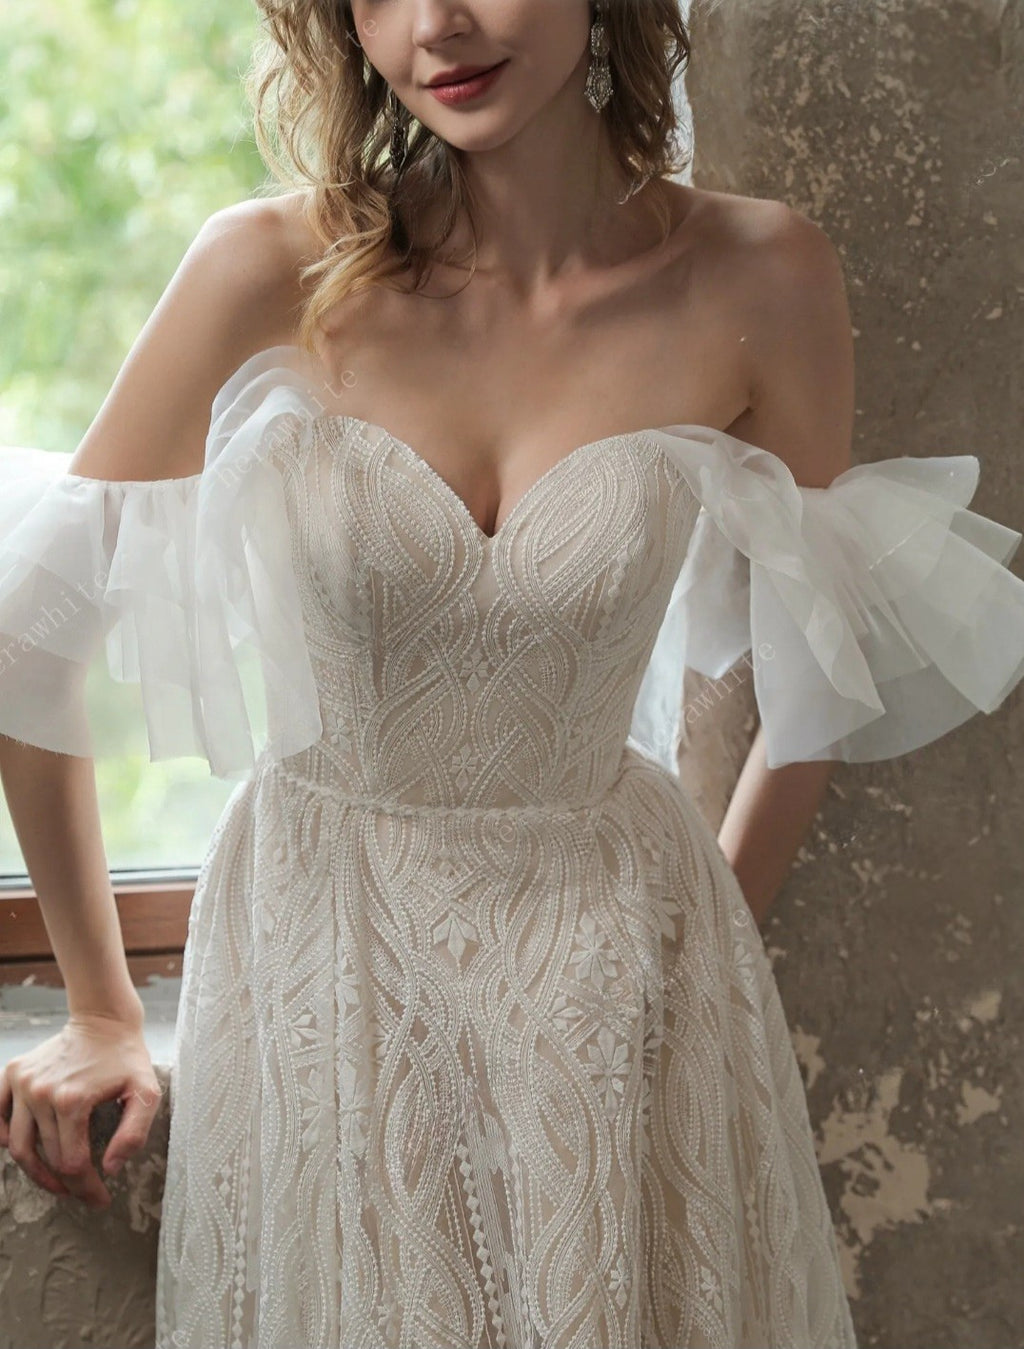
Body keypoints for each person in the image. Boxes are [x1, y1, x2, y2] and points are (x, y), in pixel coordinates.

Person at [1, 1, 1023, 1345]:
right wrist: (99, 1004)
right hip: (327, 944)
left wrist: (699, 956)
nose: (438, 24)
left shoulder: (763, 275)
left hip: (623, 955)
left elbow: (814, 673)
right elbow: (30, 636)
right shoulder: (266, 266)